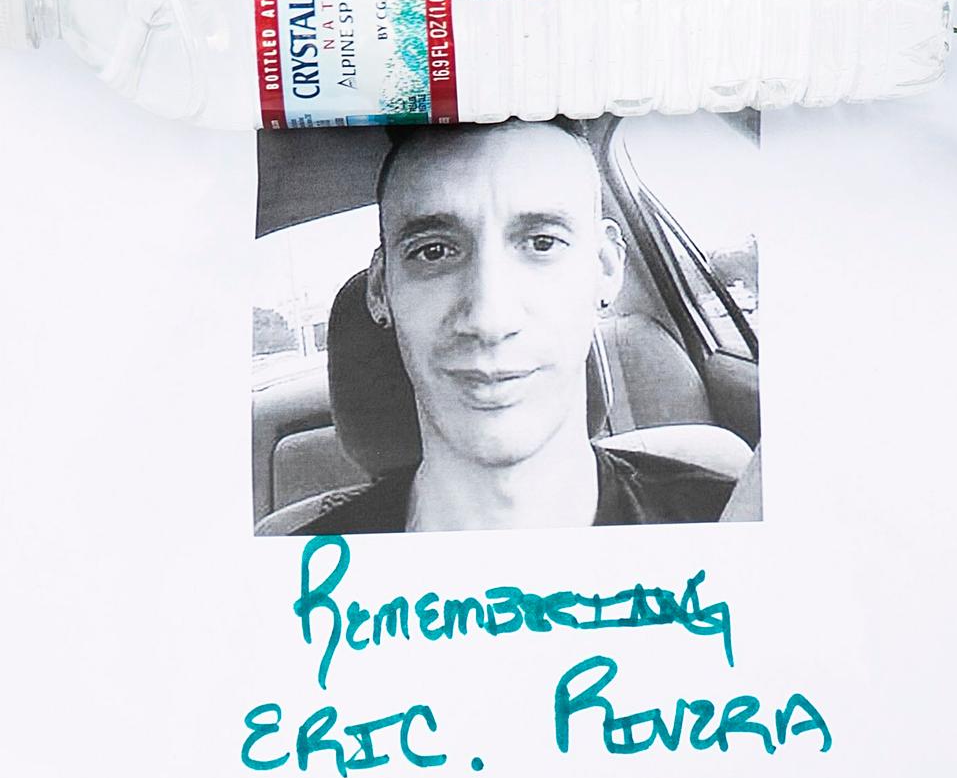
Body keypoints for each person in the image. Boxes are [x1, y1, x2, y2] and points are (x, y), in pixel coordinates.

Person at [285, 121, 741, 534]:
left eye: (542, 243)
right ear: (381, 290)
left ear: (605, 268)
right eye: (434, 251)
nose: (490, 319)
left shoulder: (735, 523)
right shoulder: (290, 588)